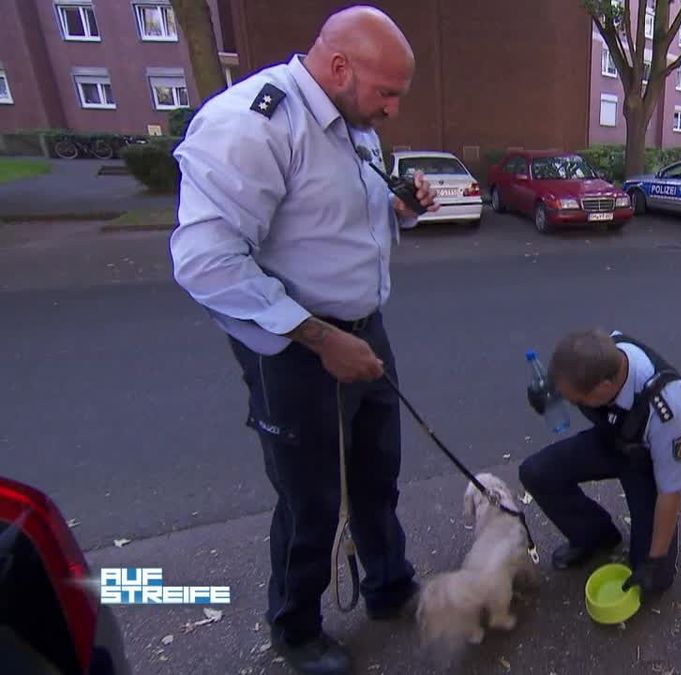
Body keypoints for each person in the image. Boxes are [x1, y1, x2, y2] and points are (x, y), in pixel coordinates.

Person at [169, 7, 438, 675]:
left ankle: (388, 584)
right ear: (339, 66)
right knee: (311, 497)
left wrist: (403, 206)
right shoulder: (251, 124)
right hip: (294, 346)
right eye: (387, 92)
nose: (394, 110)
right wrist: (318, 338)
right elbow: (206, 261)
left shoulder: (356, 123)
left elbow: (342, 219)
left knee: (377, 471)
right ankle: (295, 626)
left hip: (364, 327)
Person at [518, 329, 681, 595]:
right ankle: (595, 537)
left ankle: (652, 562)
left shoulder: (669, 409)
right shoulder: (603, 355)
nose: (573, 405)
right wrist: (547, 398)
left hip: (649, 465)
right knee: (537, 472)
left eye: (577, 401)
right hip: (612, 440)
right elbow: (569, 383)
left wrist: (654, 561)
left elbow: (671, 492)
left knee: (654, 580)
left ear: (604, 388)